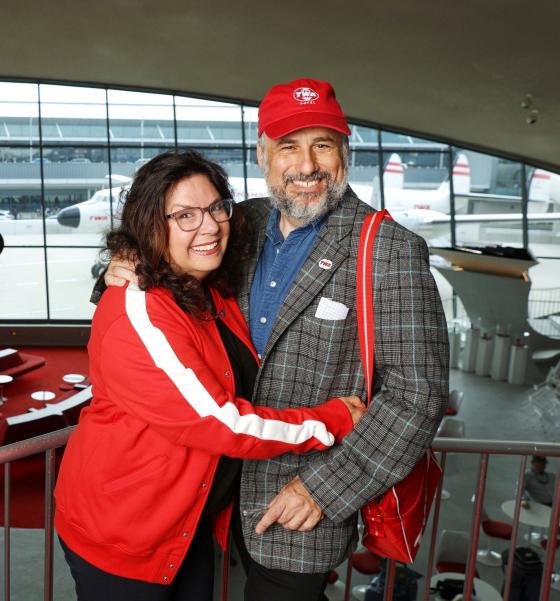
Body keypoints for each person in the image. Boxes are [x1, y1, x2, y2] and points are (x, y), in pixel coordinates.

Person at [103, 78, 448, 600]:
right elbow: (168, 264)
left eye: (322, 145)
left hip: (300, 510)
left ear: (344, 153)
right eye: (289, 146)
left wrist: (328, 489)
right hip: (210, 498)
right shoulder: (241, 224)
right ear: (263, 153)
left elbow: (417, 394)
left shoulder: (389, 250)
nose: (306, 165)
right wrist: (119, 266)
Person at [55, 150, 367, 601]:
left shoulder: (209, 292)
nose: (209, 226)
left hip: (183, 524)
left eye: (216, 208)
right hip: (123, 534)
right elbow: (222, 422)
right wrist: (333, 420)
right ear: (150, 224)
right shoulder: (140, 307)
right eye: (184, 215)